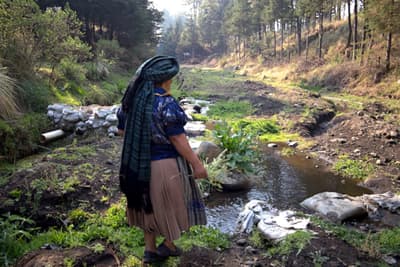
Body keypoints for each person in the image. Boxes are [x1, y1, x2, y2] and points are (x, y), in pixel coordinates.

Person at [118, 56, 207, 264]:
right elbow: (177, 138)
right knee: (169, 204)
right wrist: (197, 164)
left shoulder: (131, 101)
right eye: (171, 78)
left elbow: (122, 130)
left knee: (146, 204)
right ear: (165, 79)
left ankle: (150, 250)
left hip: (135, 164)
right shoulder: (165, 103)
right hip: (163, 164)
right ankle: (167, 244)